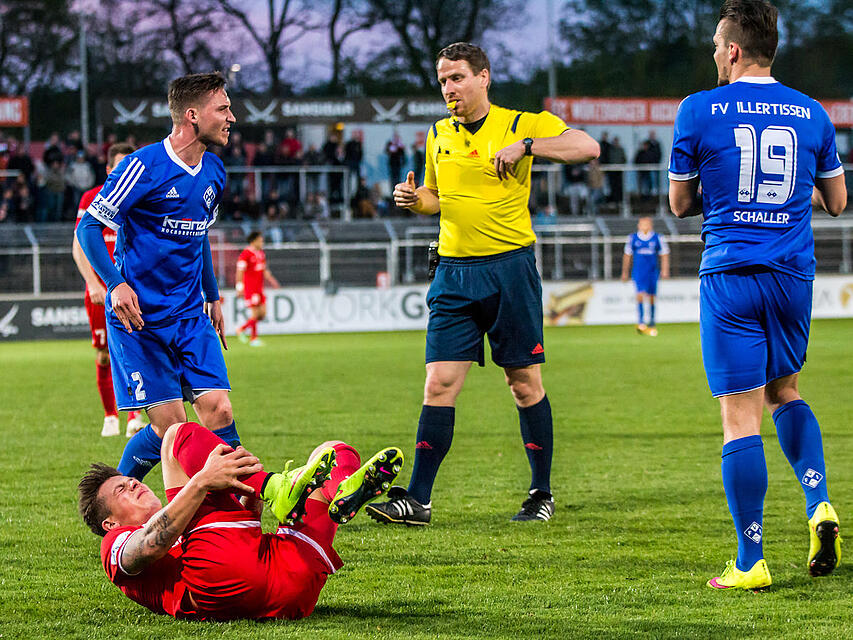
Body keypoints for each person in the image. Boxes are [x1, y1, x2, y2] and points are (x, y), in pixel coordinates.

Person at [367, 42, 599, 525]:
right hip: (453, 272)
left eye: (457, 78)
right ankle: (418, 499)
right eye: (443, 81)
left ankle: (540, 492)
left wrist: (529, 147)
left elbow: (587, 147)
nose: (449, 89)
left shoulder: (521, 123)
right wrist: (414, 198)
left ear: (483, 78)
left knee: (523, 384)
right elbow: (437, 198)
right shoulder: (437, 134)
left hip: (509, 270)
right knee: (439, 382)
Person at [669, 0, 846, 590]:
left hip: (732, 277)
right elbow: (839, 201)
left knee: (739, 421)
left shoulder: (698, 109)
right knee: (786, 391)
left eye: (718, 45)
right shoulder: (813, 113)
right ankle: (819, 501)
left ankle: (751, 562)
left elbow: (679, 203)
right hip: (793, 278)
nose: (714, 54)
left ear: (735, 50)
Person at [76, 71, 241, 481]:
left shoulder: (215, 172)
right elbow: (88, 228)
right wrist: (115, 283)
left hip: (189, 313)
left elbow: (198, 234)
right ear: (191, 115)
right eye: (222, 108)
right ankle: (118, 491)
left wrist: (213, 294)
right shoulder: (141, 166)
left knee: (218, 409)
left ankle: (241, 496)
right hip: (141, 320)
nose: (231, 117)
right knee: (172, 429)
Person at [78, 420, 403, 620]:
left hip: (291, 588)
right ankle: (274, 485)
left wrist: (250, 507)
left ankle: (342, 492)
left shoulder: (193, 518)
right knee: (175, 436)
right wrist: (202, 480)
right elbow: (148, 547)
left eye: (131, 480)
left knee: (332, 450)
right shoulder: (113, 544)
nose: (134, 482)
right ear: (110, 523)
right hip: (214, 586)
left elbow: (240, 553)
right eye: (121, 489)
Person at [72, 142, 146, 438]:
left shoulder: (141, 197)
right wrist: (92, 282)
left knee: (137, 351)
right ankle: (109, 416)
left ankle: (135, 416)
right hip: (101, 291)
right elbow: (79, 243)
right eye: (119, 167)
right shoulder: (92, 198)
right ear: (108, 170)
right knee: (104, 355)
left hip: (132, 290)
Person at [621, 216, 670, 336]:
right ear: (639, 225)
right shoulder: (633, 238)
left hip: (652, 272)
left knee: (652, 296)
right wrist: (625, 272)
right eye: (643, 224)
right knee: (640, 295)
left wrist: (665, 270)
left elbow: (664, 254)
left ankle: (652, 322)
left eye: (647, 224)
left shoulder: (657, 238)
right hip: (638, 271)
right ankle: (641, 322)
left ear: (651, 225)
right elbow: (627, 255)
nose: (645, 226)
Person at [235, 231, 280, 346]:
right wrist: (239, 287)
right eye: (260, 240)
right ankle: (253, 338)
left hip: (259, 288)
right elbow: (240, 271)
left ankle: (242, 329)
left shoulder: (260, 253)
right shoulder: (245, 254)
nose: (262, 242)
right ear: (253, 241)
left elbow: (264, 270)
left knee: (262, 314)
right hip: (250, 288)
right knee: (255, 314)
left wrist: (272, 281)